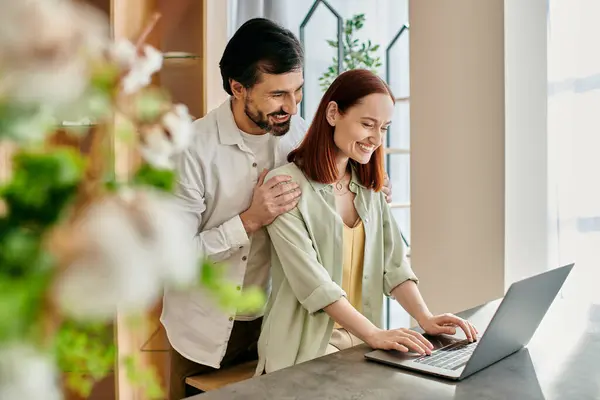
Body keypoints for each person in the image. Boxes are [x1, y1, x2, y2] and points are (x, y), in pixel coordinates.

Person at [160, 19, 393, 399]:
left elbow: (341, 187)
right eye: (277, 95)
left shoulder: (300, 138)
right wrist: (248, 221)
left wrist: (370, 189)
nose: (291, 106)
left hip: (283, 323)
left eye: (298, 91)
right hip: (204, 332)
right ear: (238, 88)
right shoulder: (190, 151)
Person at [256, 69, 478, 375]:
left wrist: (425, 318)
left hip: (362, 342)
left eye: (384, 128)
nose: (376, 138)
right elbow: (314, 283)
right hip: (305, 347)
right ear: (333, 113)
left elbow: (395, 266)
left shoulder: (369, 188)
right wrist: (374, 334)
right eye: (367, 124)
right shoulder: (285, 185)